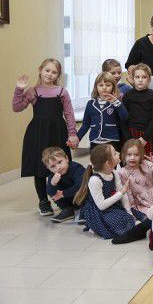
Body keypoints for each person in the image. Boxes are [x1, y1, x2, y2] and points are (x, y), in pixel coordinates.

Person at [13, 58, 78, 216]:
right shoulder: (33, 91)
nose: (50, 74)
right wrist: (19, 90)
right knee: (40, 168)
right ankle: (43, 202)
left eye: (54, 72)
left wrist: (72, 134)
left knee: (61, 166)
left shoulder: (62, 92)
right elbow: (17, 107)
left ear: (58, 75)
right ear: (40, 70)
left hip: (58, 132)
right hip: (38, 134)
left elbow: (69, 114)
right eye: (47, 70)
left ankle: (65, 200)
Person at [73, 144, 147, 240]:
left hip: (113, 205)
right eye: (115, 153)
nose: (119, 153)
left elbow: (122, 195)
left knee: (138, 215)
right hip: (100, 211)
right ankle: (131, 227)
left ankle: (133, 224)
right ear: (108, 163)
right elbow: (101, 206)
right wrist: (121, 193)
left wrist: (129, 212)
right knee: (116, 219)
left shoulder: (114, 173)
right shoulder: (95, 180)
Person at [77, 72, 128, 151]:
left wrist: (116, 102)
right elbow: (85, 124)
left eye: (108, 85)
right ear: (96, 87)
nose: (104, 88)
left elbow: (125, 117)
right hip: (95, 141)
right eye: (101, 85)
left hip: (112, 141)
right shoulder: (90, 104)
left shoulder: (116, 102)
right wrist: (77, 138)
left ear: (113, 87)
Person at [117, 139, 153, 215]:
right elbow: (128, 194)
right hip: (142, 205)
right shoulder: (123, 172)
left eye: (136, 155)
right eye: (129, 155)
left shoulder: (146, 164)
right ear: (124, 155)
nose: (132, 158)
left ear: (141, 155)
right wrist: (133, 211)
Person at [122, 64, 153, 156]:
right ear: (133, 79)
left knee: (148, 161)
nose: (140, 80)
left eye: (144, 77)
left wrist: (144, 138)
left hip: (148, 134)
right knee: (132, 159)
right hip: (131, 133)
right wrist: (129, 138)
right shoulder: (127, 95)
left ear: (149, 79)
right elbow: (123, 118)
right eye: (137, 77)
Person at [43, 147, 86, 223]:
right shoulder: (52, 176)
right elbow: (50, 193)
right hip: (68, 199)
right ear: (48, 168)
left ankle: (86, 209)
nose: (58, 167)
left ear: (66, 158)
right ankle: (68, 209)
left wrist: (63, 193)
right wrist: (52, 184)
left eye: (60, 162)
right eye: (53, 166)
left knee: (85, 187)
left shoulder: (76, 168)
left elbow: (81, 185)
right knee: (51, 190)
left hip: (83, 199)